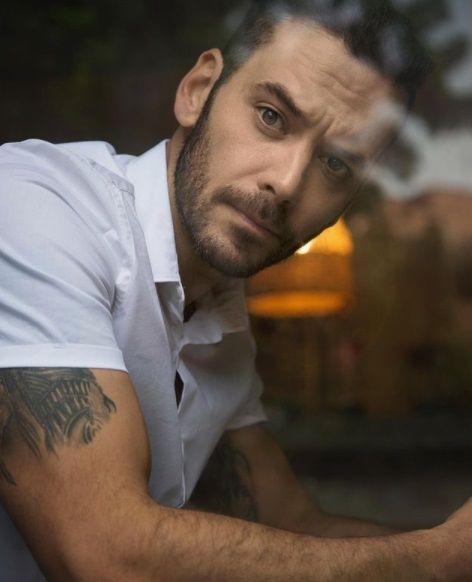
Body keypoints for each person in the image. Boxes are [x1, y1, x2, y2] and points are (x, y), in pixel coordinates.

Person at [0, 0, 470, 579]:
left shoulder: (217, 309)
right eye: (272, 117)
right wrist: (435, 560)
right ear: (197, 91)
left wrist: (454, 552)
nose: (287, 182)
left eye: (336, 165)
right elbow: (104, 554)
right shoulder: (34, 206)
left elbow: (292, 525)